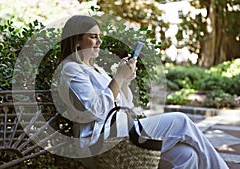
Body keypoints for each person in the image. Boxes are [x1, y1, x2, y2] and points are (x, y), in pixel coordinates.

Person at [56, 15, 229, 169]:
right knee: (181, 121)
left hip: (122, 131)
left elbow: (124, 105)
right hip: (101, 139)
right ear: (76, 40)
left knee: (186, 154)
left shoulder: (96, 69)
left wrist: (125, 80)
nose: (100, 42)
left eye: (100, 37)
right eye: (93, 37)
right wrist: (118, 77)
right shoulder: (72, 69)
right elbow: (97, 110)